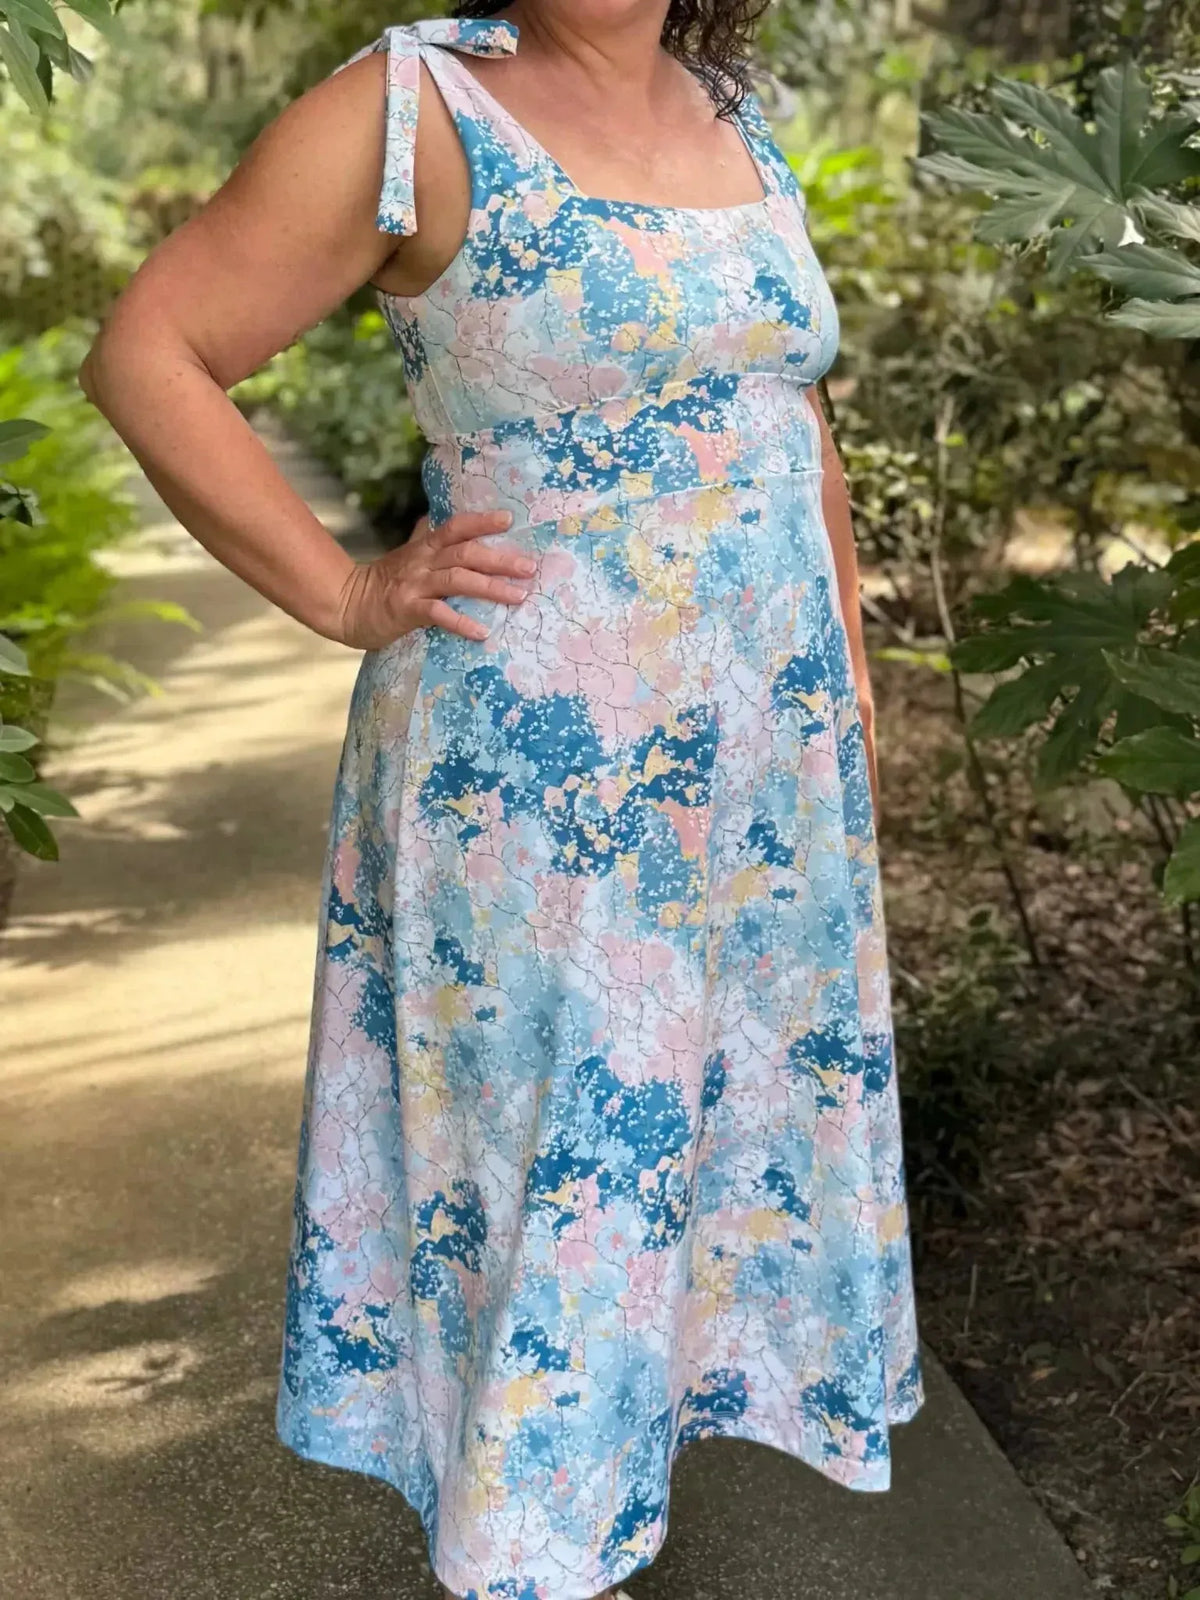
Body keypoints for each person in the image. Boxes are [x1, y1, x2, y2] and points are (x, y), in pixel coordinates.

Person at [79, 4, 923, 1598]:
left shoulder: (730, 109)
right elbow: (151, 353)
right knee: (559, 1183)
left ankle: (597, 1529)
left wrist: (852, 679)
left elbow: (785, 406)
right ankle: (531, 1561)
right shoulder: (415, 108)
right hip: (542, 788)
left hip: (755, 788)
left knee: (681, 1178)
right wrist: (342, 592)